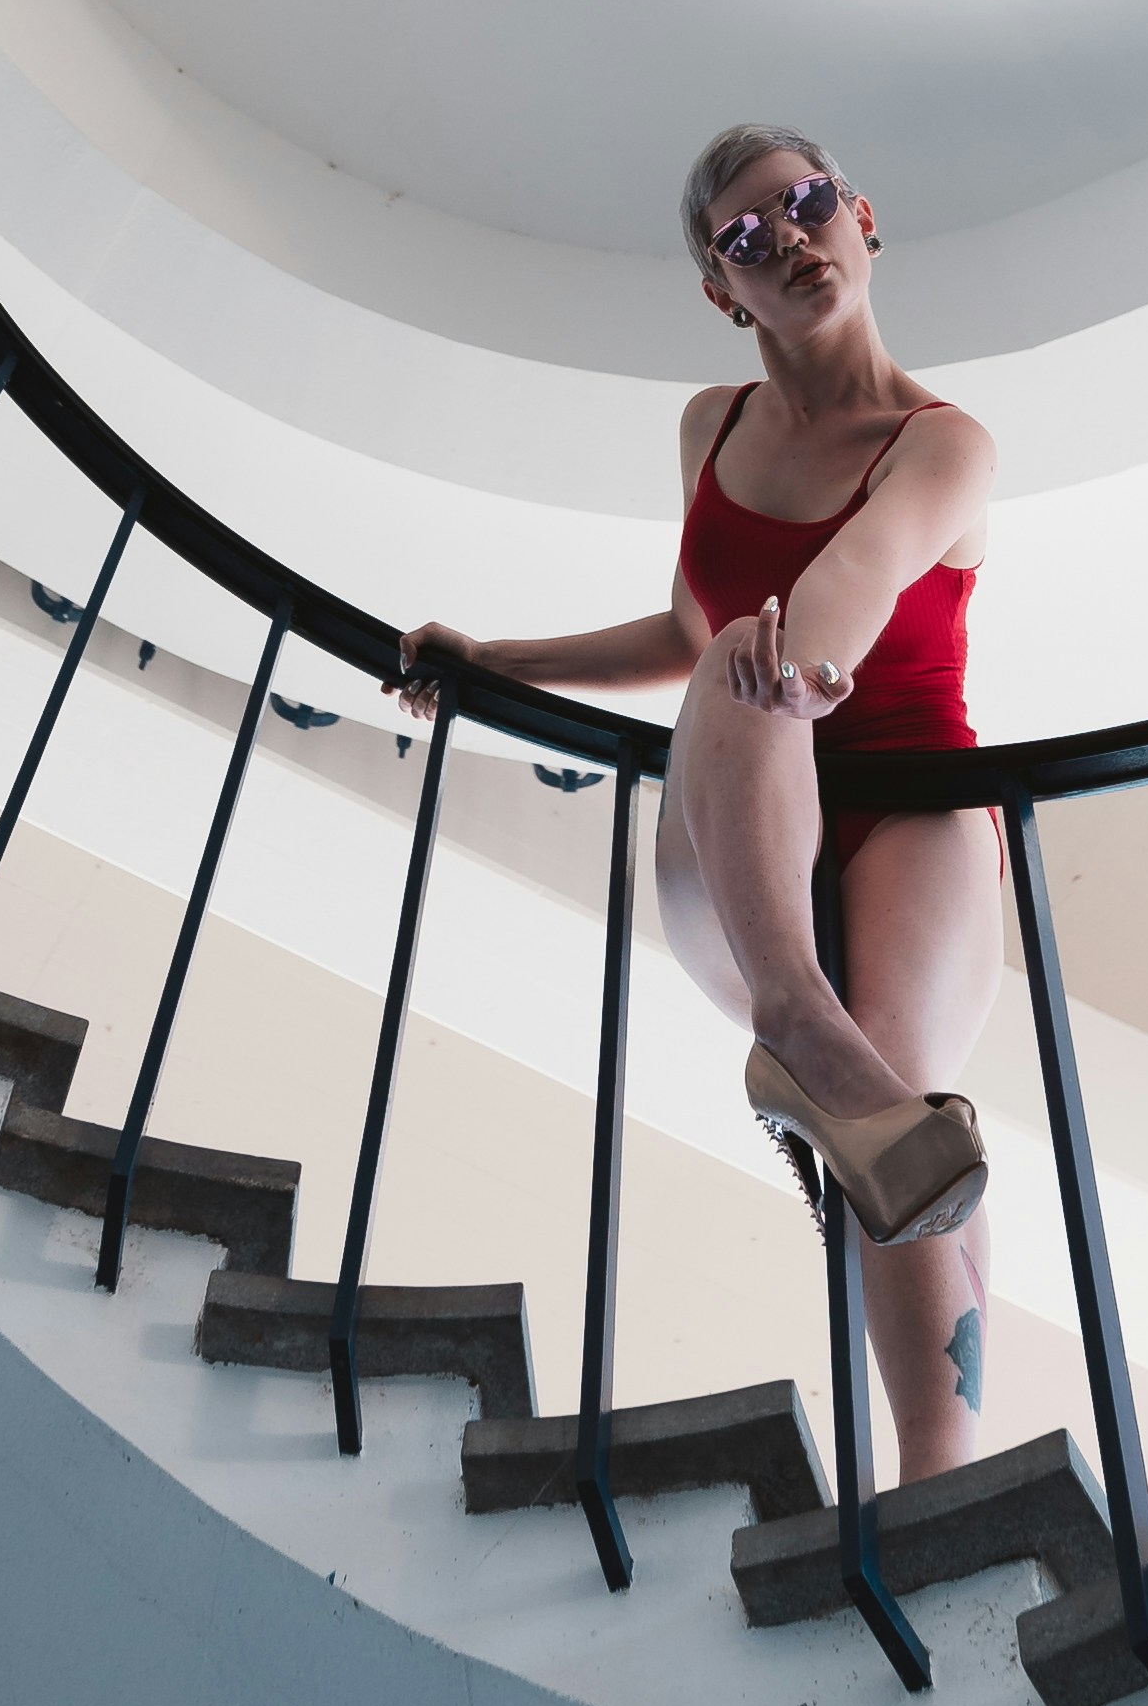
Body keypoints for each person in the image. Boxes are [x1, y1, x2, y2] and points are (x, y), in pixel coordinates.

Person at [399, 122, 1000, 1484]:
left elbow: (846, 590)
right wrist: (494, 665)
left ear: (861, 217)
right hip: (744, 825)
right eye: (744, 235)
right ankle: (798, 1028)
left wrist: (798, 663)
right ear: (723, 292)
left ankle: (940, 1475)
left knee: (899, 1091)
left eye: (807, 202)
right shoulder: (710, 428)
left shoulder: (946, 445)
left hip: (907, 793)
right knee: (736, 652)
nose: (787, 236)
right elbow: (687, 629)